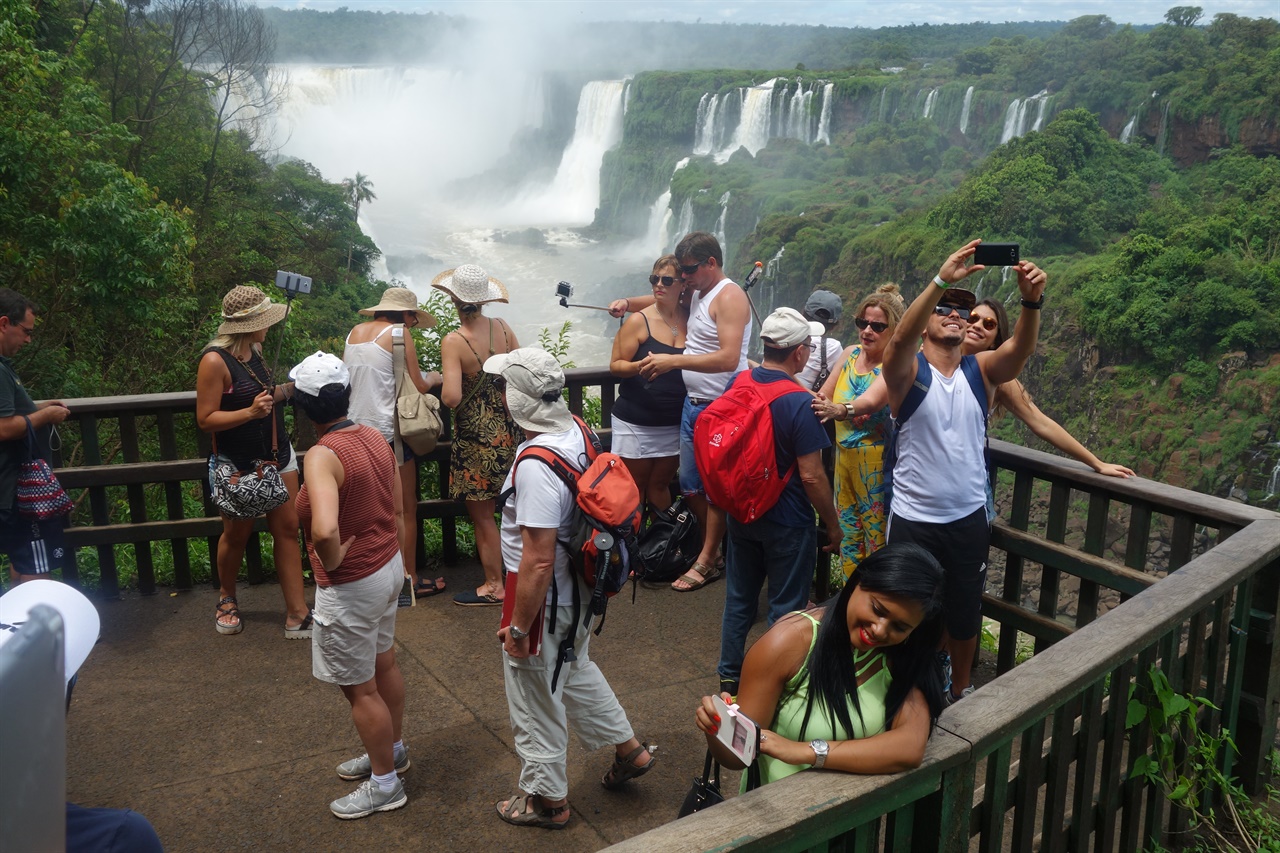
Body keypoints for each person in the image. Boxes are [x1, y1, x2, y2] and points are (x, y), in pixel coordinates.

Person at [488, 347, 655, 831]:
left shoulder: (536, 464)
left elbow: (538, 558)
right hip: (580, 589)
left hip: (545, 599)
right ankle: (630, 751)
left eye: (504, 389)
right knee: (574, 665)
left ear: (518, 401)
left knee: (534, 694)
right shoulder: (576, 430)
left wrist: (519, 625)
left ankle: (547, 802)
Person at [879, 240, 1046, 704]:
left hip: (968, 517)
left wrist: (1031, 300)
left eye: (963, 311)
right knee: (905, 607)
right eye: (946, 310)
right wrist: (940, 282)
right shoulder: (907, 372)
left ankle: (960, 688)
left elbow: (1021, 349)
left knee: (964, 611)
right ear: (928, 320)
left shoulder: (982, 370)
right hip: (914, 519)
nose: (956, 315)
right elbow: (897, 341)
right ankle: (905, 688)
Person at [695, 543, 946, 787]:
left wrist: (807, 752)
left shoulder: (905, 654)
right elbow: (739, 755)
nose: (880, 630)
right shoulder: (789, 642)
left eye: (900, 627)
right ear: (858, 582)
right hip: (780, 818)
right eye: (878, 609)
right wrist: (716, 729)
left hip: (854, 819)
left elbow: (908, 748)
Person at [291, 352, 410, 820]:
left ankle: (385, 784)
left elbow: (323, 529)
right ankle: (392, 751)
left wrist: (333, 558)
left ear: (303, 407)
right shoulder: (374, 438)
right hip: (387, 566)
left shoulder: (322, 455)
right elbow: (397, 509)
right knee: (384, 666)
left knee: (361, 690)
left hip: (353, 581)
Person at [611, 231, 753, 592]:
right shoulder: (699, 291)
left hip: (720, 408)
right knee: (690, 488)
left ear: (711, 263)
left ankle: (709, 559)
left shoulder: (731, 296)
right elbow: (667, 292)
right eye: (681, 274)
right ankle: (713, 550)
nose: (683, 277)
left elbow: (729, 358)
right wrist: (627, 302)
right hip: (692, 408)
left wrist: (674, 362)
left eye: (688, 270)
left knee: (715, 490)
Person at [716, 308, 843, 698]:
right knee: (785, 608)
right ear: (800, 353)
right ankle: (773, 685)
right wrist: (833, 525)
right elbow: (811, 475)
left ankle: (729, 678)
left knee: (739, 599)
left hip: (741, 512)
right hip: (787, 519)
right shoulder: (799, 402)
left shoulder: (739, 382)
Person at [195, 286, 310, 638]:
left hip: (276, 454)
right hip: (238, 461)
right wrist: (248, 412)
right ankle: (226, 597)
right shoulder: (215, 361)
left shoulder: (256, 351)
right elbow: (205, 418)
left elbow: (264, 394)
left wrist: (291, 388)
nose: (269, 327)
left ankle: (297, 612)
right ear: (246, 325)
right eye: (264, 321)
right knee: (237, 534)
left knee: (288, 529)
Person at [343, 286, 446, 600]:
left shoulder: (354, 333)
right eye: (413, 318)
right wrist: (436, 377)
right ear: (406, 315)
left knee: (364, 511)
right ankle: (408, 580)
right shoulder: (400, 333)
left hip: (352, 434)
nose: (413, 323)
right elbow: (417, 383)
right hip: (389, 436)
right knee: (404, 511)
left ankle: (369, 579)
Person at [963, 298, 1135, 480]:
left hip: (967, 480)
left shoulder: (1001, 381)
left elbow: (1041, 423)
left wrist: (1097, 463)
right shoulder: (934, 360)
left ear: (994, 341)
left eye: (989, 324)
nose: (977, 325)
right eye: (973, 318)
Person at [433, 265, 522, 607]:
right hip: (513, 433)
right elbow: (521, 372)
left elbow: (453, 397)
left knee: (484, 517)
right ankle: (520, 576)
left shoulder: (454, 341)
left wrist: (438, 382)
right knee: (516, 509)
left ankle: (494, 585)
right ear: (484, 300)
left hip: (477, 443)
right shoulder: (502, 327)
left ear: (454, 298)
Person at [810, 285, 906, 590]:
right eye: (863, 323)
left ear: (893, 330)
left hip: (875, 463)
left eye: (878, 326)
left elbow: (873, 401)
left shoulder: (894, 365)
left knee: (876, 536)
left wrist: (840, 409)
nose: (868, 331)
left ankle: (876, 600)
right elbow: (822, 396)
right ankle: (848, 603)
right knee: (849, 534)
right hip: (843, 460)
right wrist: (777, 379)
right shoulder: (851, 354)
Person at [0, 289, 72, 585]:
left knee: (21, 557)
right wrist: (45, 417)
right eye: (25, 331)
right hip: (14, 488)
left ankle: (20, 629)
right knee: (34, 566)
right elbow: (3, 427)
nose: (28, 339)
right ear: (4, 323)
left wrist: (37, 408)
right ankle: (40, 631)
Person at [608, 254, 687, 515]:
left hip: (674, 421)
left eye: (666, 280)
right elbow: (616, 364)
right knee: (635, 486)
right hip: (636, 422)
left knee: (660, 485)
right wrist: (638, 367)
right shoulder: (638, 321)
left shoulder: (693, 316)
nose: (658, 285)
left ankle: (662, 546)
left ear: (683, 285)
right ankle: (631, 549)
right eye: (654, 279)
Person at [797, 289, 844, 392]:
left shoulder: (784, 331)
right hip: (803, 402)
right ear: (834, 326)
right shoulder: (833, 347)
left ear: (803, 312)